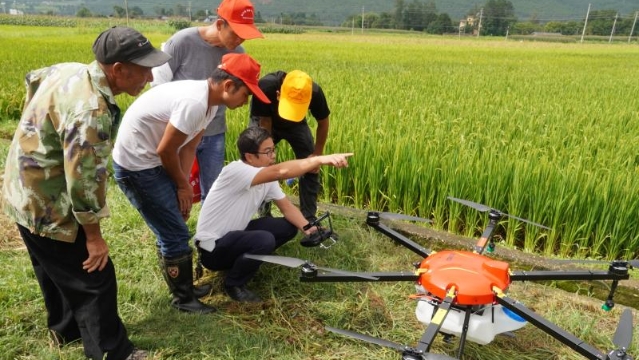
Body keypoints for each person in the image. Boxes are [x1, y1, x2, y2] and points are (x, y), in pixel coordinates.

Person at [2, 26, 170, 360]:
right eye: (143, 69)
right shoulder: (91, 111)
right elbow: (84, 182)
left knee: (53, 266)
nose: (150, 77)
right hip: (48, 201)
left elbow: (32, 79)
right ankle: (112, 351)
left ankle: (66, 332)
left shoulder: (70, 70)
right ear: (118, 69)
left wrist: (35, 132)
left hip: (20, 190)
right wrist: (93, 237)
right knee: (94, 277)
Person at [112, 53, 270, 313]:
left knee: (173, 222)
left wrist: (181, 187)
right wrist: (183, 187)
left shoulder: (210, 103)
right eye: (246, 94)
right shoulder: (195, 102)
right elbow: (166, 150)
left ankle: (184, 287)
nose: (246, 102)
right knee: (175, 232)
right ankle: (184, 299)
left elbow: (189, 147)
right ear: (228, 85)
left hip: (153, 161)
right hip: (138, 165)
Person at [195, 126, 352, 302]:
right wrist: (320, 160)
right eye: (267, 152)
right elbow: (280, 171)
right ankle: (234, 284)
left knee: (287, 227)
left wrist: (309, 228)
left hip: (232, 236)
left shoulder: (264, 177)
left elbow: (286, 207)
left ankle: (247, 260)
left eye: (273, 150)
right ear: (249, 157)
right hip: (211, 248)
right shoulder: (236, 171)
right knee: (264, 240)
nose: (273, 156)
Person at [152, 0, 263, 203]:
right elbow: (158, 85)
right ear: (220, 24)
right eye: (236, 33)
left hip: (214, 130)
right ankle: (173, 229)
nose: (240, 40)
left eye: (244, 35)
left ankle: (208, 232)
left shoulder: (238, 54)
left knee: (213, 190)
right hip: (179, 128)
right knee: (175, 185)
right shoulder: (182, 41)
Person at [249, 70, 331, 222]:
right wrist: (267, 153)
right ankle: (264, 215)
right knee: (259, 164)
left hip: (296, 125)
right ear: (279, 94)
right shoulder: (266, 87)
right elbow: (265, 122)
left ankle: (309, 217)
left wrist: (317, 155)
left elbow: (323, 123)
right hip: (265, 121)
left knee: (310, 164)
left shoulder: (314, 92)